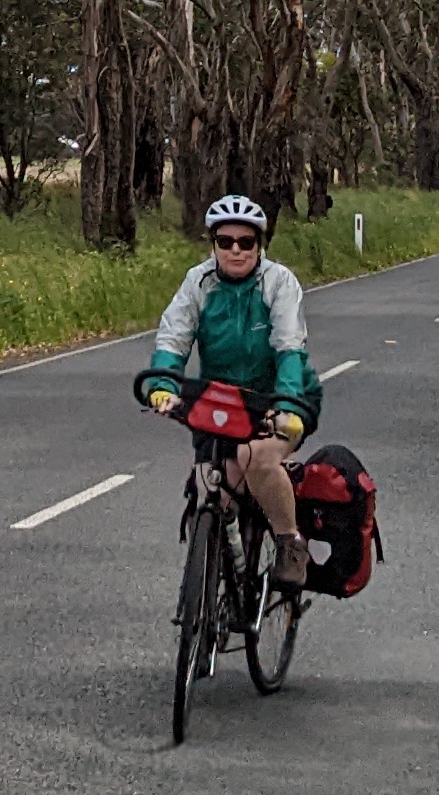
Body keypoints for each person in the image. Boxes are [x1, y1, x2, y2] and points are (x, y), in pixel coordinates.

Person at [135, 193, 318, 588]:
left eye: (246, 242)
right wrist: (163, 386)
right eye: (225, 241)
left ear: (260, 244)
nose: (236, 250)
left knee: (256, 459)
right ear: (213, 244)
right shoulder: (198, 282)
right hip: (221, 405)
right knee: (209, 486)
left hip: (279, 400)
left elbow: (289, 348)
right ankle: (214, 584)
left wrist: (287, 405)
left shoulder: (278, 282)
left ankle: (289, 542)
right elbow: (173, 338)